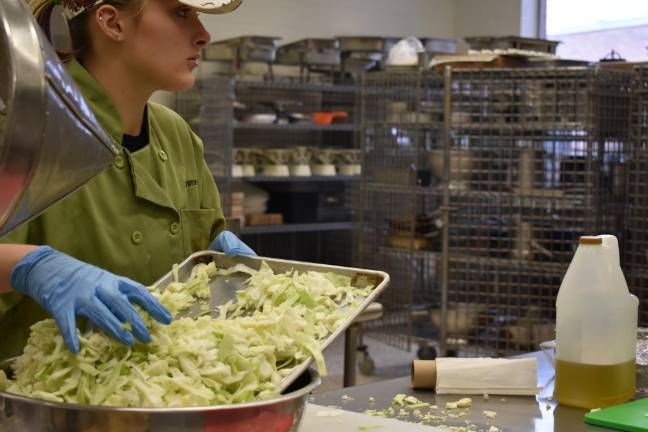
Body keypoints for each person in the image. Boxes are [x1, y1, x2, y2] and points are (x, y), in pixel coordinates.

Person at [0, 0, 254, 358]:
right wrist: (30, 267)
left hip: (168, 390)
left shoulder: (175, 133)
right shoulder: (23, 133)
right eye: (181, 13)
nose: (203, 35)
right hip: (44, 400)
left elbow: (206, 243)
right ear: (112, 23)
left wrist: (220, 253)